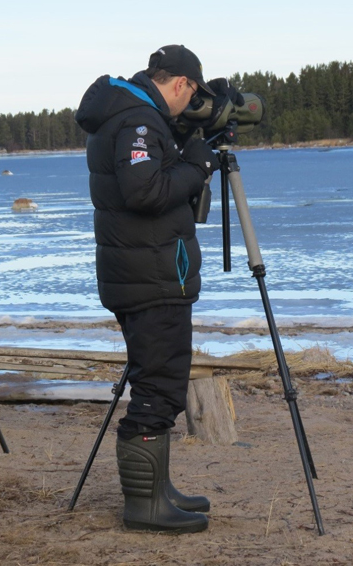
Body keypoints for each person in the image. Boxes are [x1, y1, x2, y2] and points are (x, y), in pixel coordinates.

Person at [75, 45, 241, 534]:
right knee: (159, 389)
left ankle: (158, 491)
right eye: (192, 95)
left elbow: (148, 180)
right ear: (181, 84)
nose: (190, 105)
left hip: (145, 269)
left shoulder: (133, 116)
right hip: (151, 277)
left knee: (159, 380)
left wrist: (188, 147)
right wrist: (200, 164)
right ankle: (144, 506)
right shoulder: (139, 122)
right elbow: (145, 191)